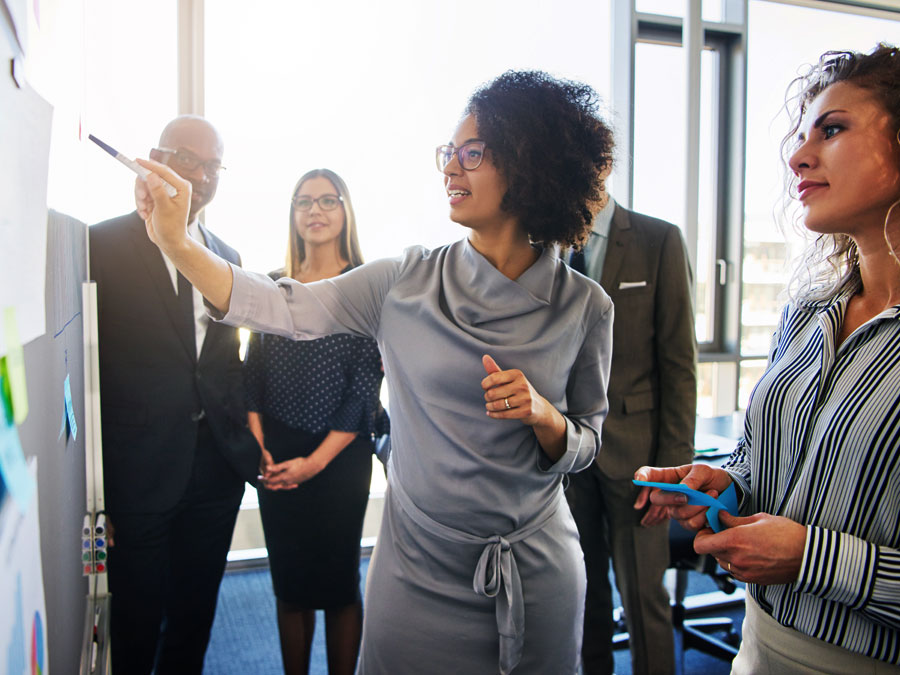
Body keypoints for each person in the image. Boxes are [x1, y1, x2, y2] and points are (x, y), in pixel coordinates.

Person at [134, 70, 614, 674]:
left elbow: (586, 444)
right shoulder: (402, 281)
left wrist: (545, 416)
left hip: (535, 571)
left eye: (472, 153)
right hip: (418, 569)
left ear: (529, 164)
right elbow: (277, 304)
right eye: (449, 153)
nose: (450, 169)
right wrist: (177, 245)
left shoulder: (587, 306)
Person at [636, 43, 900, 672]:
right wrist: (727, 482)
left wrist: (812, 557)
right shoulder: (810, 310)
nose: (797, 156)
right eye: (801, 136)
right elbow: (766, 455)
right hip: (759, 641)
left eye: (832, 130)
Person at [89, 115, 260, 674]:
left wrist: (245, 439)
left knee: (195, 612)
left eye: (213, 166)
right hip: (140, 468)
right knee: (137, 615)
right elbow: (90, 368)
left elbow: (224, 361)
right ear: (155, 157)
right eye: (188, 158)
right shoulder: (102, 243)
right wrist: (98, 487)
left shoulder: (227, 255)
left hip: (215, 467)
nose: (202, 175)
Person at [244, 168, 387, 675]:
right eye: (304, 201)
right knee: (290, 584)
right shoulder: (272, 284)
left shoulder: (366, 285)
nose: (315, 211)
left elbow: (363, 393)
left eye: (328, 200)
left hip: (341, 456)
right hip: (276, 453)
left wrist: (311, 465)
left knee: (338, 586)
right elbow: (253, 374)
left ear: (345, 211)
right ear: (293, 213)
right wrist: (258, 448)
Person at [566, 162, 697, 675]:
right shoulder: (545, 244)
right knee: (582, 597)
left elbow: (679, 364)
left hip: (640, 459)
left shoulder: (657, 239)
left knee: (644, 600)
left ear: (602, 165)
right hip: (568, 456)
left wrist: (673, 471)